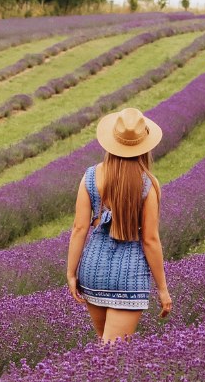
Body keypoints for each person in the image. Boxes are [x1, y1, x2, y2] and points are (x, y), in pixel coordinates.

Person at [66, 107, 172, 344]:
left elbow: (79, 228)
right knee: (113, 356)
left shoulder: (91, 176)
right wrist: (162, 288)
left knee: (105, 349)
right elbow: (150, 239)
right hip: (129, 277)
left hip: (92, 271)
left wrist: (71, 273)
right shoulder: (148, 184)